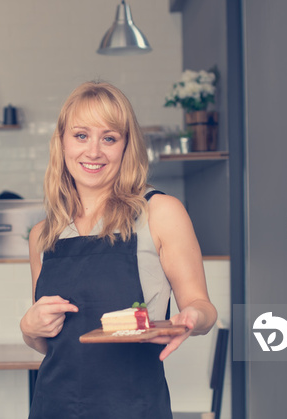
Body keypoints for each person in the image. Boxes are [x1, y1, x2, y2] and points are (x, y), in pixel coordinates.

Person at [20, 81, 217, 419]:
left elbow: (202, 307)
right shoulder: (43, 234)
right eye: (81, 135)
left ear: (126, 146)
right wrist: (28, 327)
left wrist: (192, 318)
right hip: (54, 406)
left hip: (134, 408)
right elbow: (47, 342)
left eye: (109, 138)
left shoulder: (160, 213)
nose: (93, 151)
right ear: (62, 142)